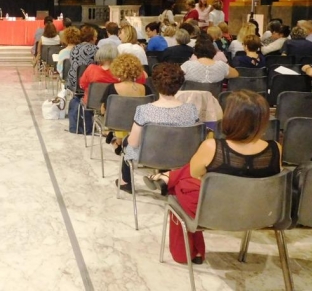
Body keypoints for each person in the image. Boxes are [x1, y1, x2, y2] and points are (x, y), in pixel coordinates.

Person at [144, 90, 281, 265]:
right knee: (191, 179)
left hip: (213, 211)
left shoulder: (212, 147)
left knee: (182, 185)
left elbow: (194, 175)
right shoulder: (276, 148)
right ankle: (168, 177)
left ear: (230, 116)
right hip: (258, 213)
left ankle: (167, 178)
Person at [116, 62, 199, 193]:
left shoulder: (144, 110)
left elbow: (134, 142)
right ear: (180, 84)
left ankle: (125, 181)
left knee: (127, 141)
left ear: (155, 83)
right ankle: (166, 177)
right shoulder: (191, 109)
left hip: (150, 156)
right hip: (182, 156)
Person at [101, 54, 152, 154]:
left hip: (116, 123)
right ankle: (120, 140)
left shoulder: (112, 87)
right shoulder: (146, 89)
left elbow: (103, 110)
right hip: (138, 125)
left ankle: (117, 139)